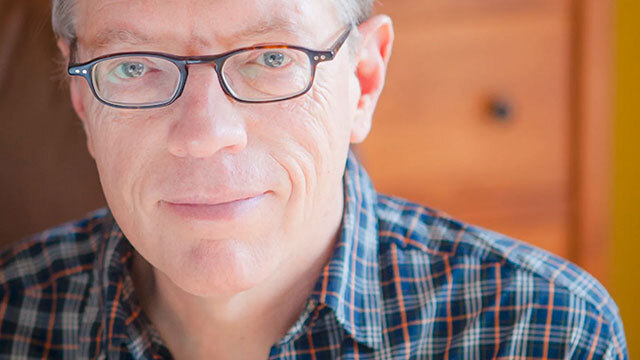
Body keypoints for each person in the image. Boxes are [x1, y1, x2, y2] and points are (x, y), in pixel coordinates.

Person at [0, 0, 628, 358]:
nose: (203, 133)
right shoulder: (13, 314)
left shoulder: (545, 332)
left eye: (272, 58)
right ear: (84, 102)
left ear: (363, 83)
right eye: (132, 65)